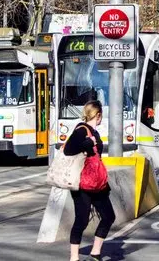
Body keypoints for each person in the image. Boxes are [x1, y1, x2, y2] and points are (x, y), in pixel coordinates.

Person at [64, 101, 115, 261]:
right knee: (82, 219)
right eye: (101, 116)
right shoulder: (81, 130)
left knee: (108, 216)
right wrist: (88, 143)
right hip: (82, 183)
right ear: (98, 115)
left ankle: (96, 252)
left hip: (97, 182)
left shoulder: (94, 132)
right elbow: (68, 149)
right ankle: (74, 257)